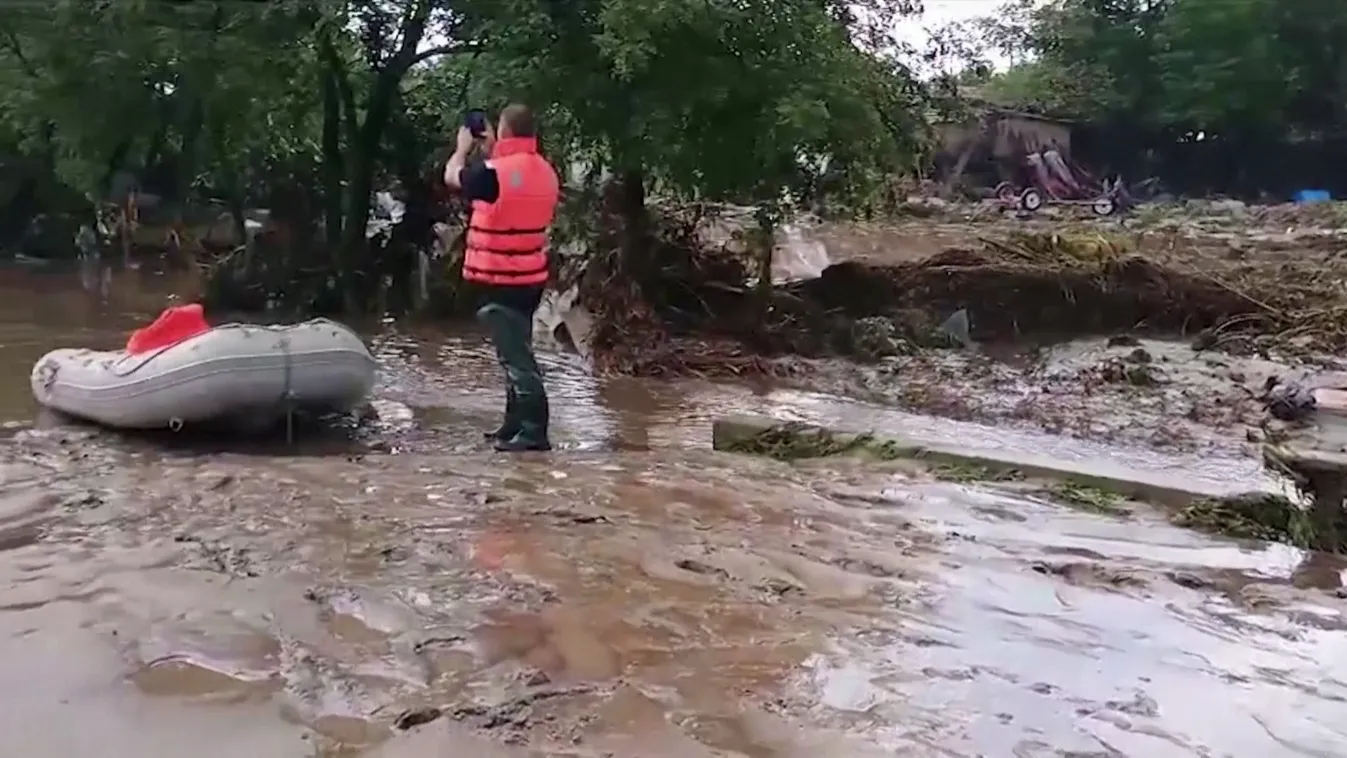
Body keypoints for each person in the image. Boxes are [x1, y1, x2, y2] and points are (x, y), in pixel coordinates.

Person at [443, 104, 560, 452]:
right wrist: (492, 147)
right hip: (531, 277)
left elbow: (453, 177)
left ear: (505, 131)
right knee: (515, 350)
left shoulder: (493, 173)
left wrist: (462, 148)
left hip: (500, 278)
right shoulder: (545, 170)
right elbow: (509, 182)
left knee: (516, 360)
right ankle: (513, 425)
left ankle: (534, 431)